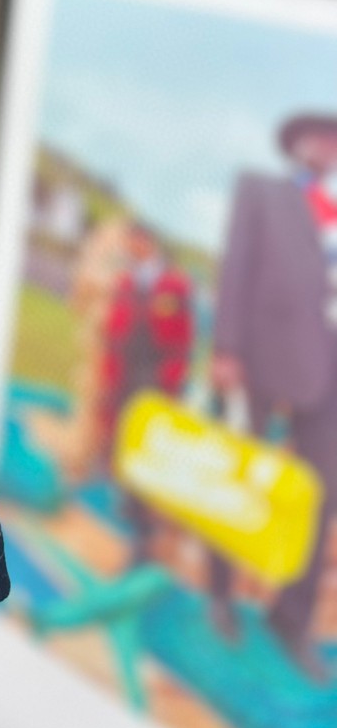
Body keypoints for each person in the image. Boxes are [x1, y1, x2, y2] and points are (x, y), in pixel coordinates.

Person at [209, 114, 337, 682]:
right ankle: (219, 593)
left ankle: (291, 619)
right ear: (297, 145)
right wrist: (226, 347)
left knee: (320, 497)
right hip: (259, 357)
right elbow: (236, 267)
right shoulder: (260, 190)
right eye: (319, 135)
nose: (328, 145)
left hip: (329, 371)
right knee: (237, 475)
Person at [98, 222, 193, 561]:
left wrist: (172, 381)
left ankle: (146, 529)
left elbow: (183, 339)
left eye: (134, 242)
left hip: (155, 376)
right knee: (123, 438)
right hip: (126, 372)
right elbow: (115, 328)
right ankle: (129, 503)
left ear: (148, 242)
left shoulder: (174, 285)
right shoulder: (127, 282)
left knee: (148, 445)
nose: (130, 248)